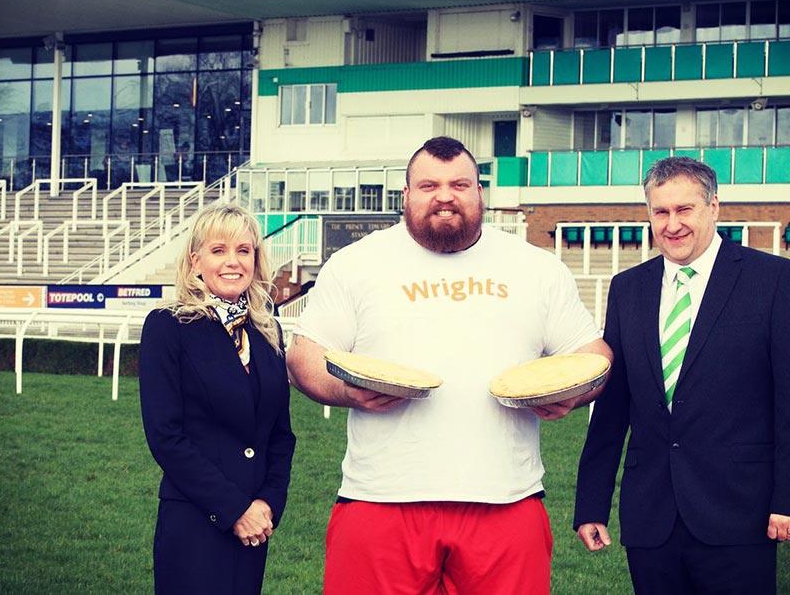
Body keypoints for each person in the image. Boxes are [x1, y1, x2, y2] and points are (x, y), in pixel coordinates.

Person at [287, 136, 612, 594]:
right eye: (428, 185)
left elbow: (593, 355)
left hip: (505, 497)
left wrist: (573, 393)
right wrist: (346, 391)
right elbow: (305, 354)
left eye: (460, 183)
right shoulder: (357, 263)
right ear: (405, 195)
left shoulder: (534, 267)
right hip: (382, 497)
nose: (445, 196)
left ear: (481, 193)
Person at [574, 156, 790, 593]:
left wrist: (785, 498)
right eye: (661, 212)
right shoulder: (627, 288)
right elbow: (613, 407)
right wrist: (591, 503)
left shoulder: (773, 280)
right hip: (651, 516)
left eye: (684, 209)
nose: (672, 224)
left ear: (714, 207)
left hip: (739, 512)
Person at [139, 203, 295, 594]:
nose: (233, 262)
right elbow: (166, 437)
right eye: (218, 250)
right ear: (196, 261)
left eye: (243, 250)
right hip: (194, 522)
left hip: (255, 529)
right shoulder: (168, 326)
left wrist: (267, 504)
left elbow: (281, 435)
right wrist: (234, 509)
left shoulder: (267, 331)